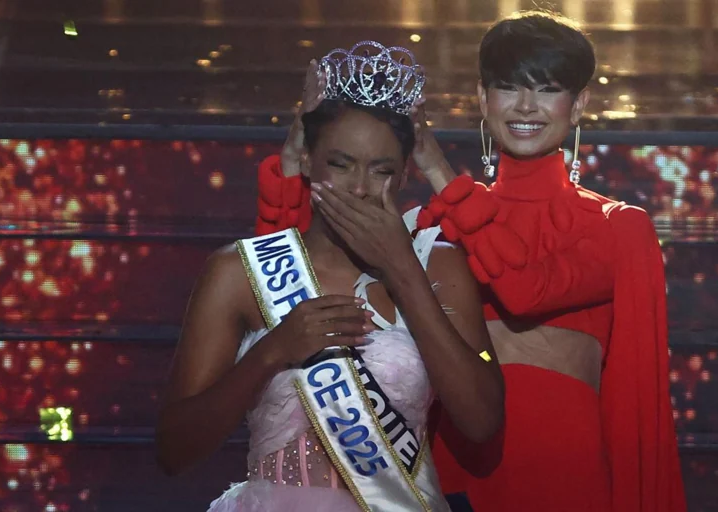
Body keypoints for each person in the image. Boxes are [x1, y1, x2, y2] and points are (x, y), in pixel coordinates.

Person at [253, 11, 685, 512]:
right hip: (451, 466)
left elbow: (525, 290)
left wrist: (437, 169)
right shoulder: (430, 223)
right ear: (483, 98)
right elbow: (288, 287)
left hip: (564, 476)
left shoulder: (615, 226)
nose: (526, 106)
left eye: (546, 89)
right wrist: (293, 161)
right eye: (507, 87)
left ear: (579, 103)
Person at [157, 41, 504, 512]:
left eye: (380, 170)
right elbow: (175, 451)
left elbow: (482, 421)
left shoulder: (437, 264)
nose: (359, 188)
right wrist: (272, 351)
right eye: (340, 165)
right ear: (306, 161)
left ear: (404, 175)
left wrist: (403, 273)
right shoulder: (239, 270)